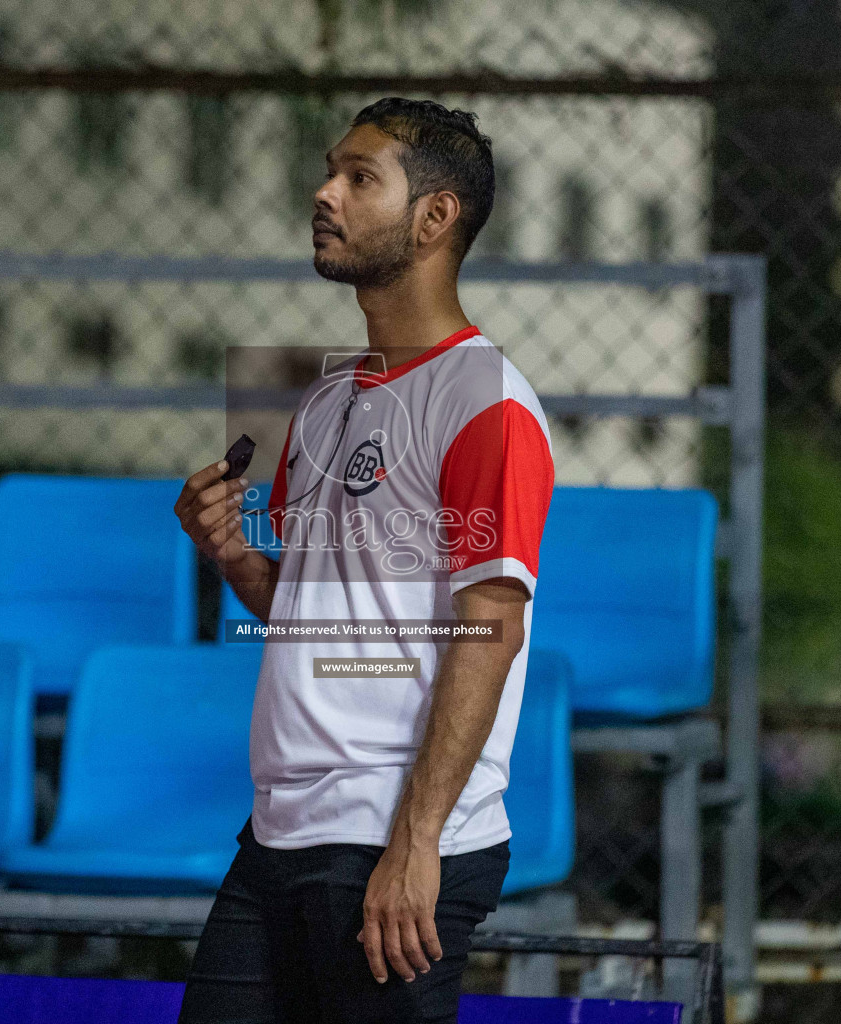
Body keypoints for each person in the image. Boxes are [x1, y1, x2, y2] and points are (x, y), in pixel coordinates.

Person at [173, 97, 555, 1024]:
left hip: (392, 833)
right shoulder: (329, 394)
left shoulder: (486, 400)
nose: (324, 192)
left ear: (434, 218)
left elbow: (490, 631)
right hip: (280, 832)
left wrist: (416, 844)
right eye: (331, 169)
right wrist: (229, 550)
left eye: (359, 176)